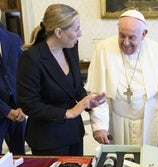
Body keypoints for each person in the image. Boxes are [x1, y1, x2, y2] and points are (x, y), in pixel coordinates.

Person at [17, 4, 106, 156]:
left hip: (74, 134)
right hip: (47, 139)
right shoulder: (31, 58)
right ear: (59, 32)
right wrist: (68, 112)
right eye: (76, 28)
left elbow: (75, 87)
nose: (80, 33)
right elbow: (29, 105)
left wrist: (88, 100)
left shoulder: (70, 48)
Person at [84, 10, 158, 150]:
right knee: (119, 163)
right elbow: (97, 93)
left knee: (148, 162)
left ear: (144, 34)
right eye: (121, 35)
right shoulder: (103, 49)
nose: (125, 42)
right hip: (117, 121)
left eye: (132, 37)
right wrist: (100, 126)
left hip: (150, 121)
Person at [0, 9, 26, 155]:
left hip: (18, 111)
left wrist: (23, 105)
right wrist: (6, 111)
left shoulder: (13, 39)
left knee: (20, 157)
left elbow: (24, 74)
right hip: (3, 109)